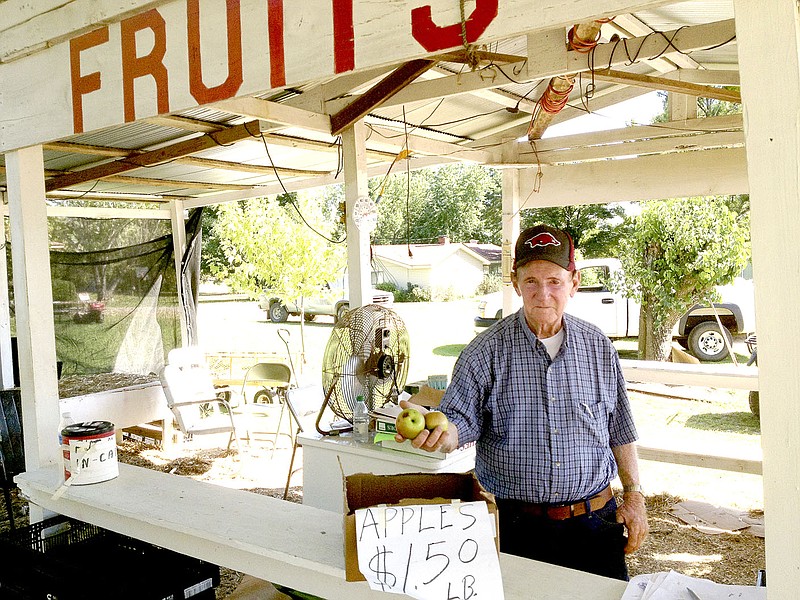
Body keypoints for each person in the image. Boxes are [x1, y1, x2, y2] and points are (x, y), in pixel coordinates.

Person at [396, 224, 648, 580]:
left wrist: (635, 495)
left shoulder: (598, 347)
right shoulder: (484, 352)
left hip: (595, 524)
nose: (542, 293)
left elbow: (620, 428)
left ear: (573, 283)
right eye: (531, 281)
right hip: (516, 529)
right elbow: (458, 422)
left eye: (554, 281)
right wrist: (439, 432)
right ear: (515, 283)